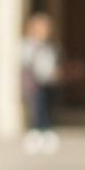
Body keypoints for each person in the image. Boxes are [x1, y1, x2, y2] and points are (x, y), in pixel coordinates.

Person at [21, 12, 61, 154]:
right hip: (35, 84)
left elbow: (51, 62)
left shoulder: (49, 46)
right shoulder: (29, 45)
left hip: (48, 83)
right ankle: (36, 136)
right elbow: (26, 62)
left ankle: (46, 135)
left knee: (46, 110)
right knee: (37, 110)